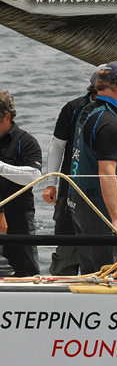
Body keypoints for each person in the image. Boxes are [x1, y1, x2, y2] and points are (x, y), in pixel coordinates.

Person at [68, 61, 117, 275]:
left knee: (91, 273)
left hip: (82, 205)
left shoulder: (89, 111)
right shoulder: (109, 123)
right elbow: (107, 172)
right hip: (102, 212)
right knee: (109, 273)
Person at [42, 64, 104, 276]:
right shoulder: (73, 108)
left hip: (102, 191)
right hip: (70, 189)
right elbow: (57, 144)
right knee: (66, 249)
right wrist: (50, 183)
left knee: (99, 253)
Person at [0, 90, 43, 277]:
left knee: (26, 271)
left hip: (18, 218)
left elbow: (34, 176)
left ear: (7, 117)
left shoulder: (25, 142)